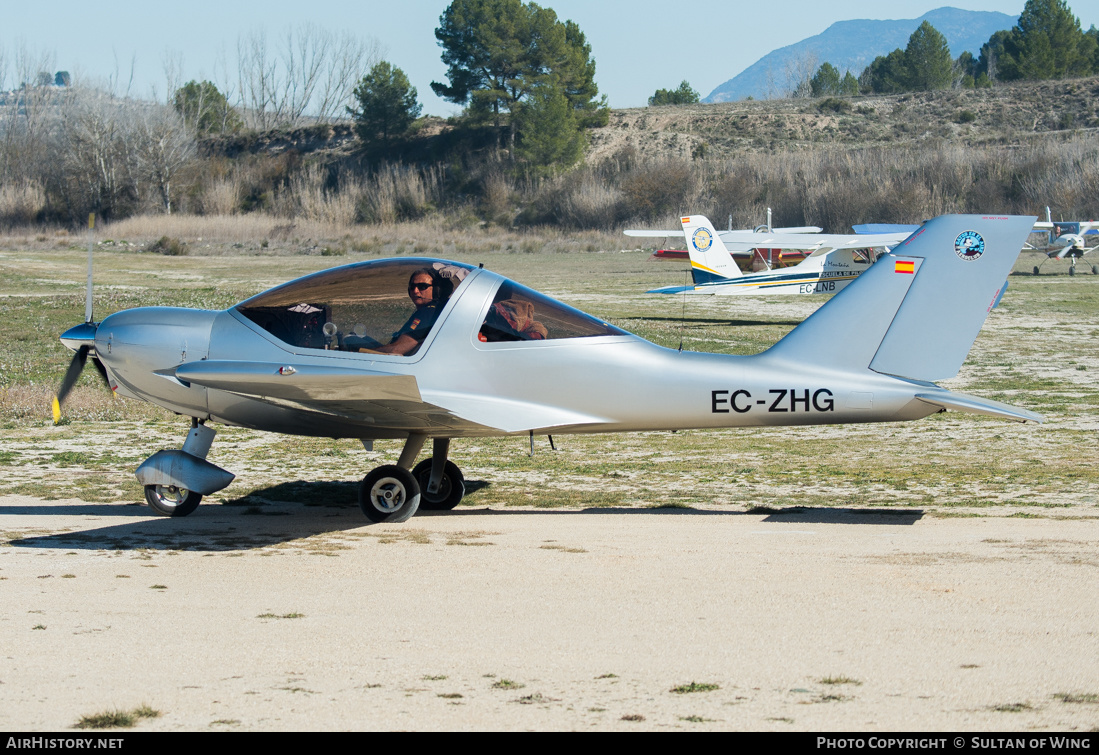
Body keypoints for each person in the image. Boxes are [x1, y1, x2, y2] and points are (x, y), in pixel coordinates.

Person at [373, 268, 446, 355]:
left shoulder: (427, 313)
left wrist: (359, 352)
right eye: (412, 287)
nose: (415, 291)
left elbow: (396, 349)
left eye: (422, 287)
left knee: (353, 341)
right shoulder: (436, 310)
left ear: (436, 290)